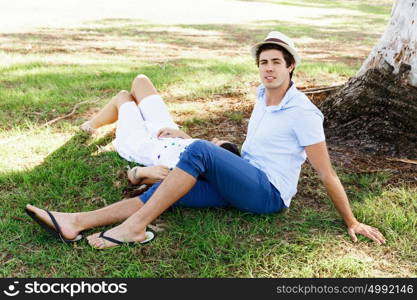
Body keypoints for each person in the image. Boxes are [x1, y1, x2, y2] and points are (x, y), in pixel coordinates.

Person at [26, 31, 386, 249]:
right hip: (245, 175)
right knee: (165, 194)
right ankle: (76, 221)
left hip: (268, 194)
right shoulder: (263, 96)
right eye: (263, 62)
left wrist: (352, 222)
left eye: (276, 62)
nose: (269, 68)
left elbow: (326, 174)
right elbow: (251, 151)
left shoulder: (304, 113)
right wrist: (192, 141)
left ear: (292, 66)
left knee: (200, 151)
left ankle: (133, 228)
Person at [80, 76, 240, 185]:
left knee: (123, 97)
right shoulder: (203, 151)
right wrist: (182, 135)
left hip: (140, 142)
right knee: (141, 81)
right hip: (170, 133)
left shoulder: (182, 172)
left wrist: (145, 172)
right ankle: (132, 116)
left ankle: (91, 125)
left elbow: (134, 176)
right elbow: (195, 147)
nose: (213, 140)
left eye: (216, 144)